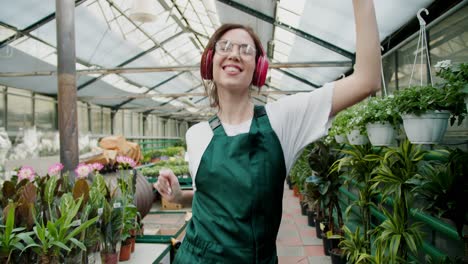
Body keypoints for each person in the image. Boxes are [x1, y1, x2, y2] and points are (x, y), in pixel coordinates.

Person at [154, 0, 381, 263]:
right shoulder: (196, 135)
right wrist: (180, 197)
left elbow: (367, 80)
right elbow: (210, 198)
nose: (234, 54)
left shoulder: (282, 120)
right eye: (224, 47)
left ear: (258, 69)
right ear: (210, 62)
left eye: (245, 50)